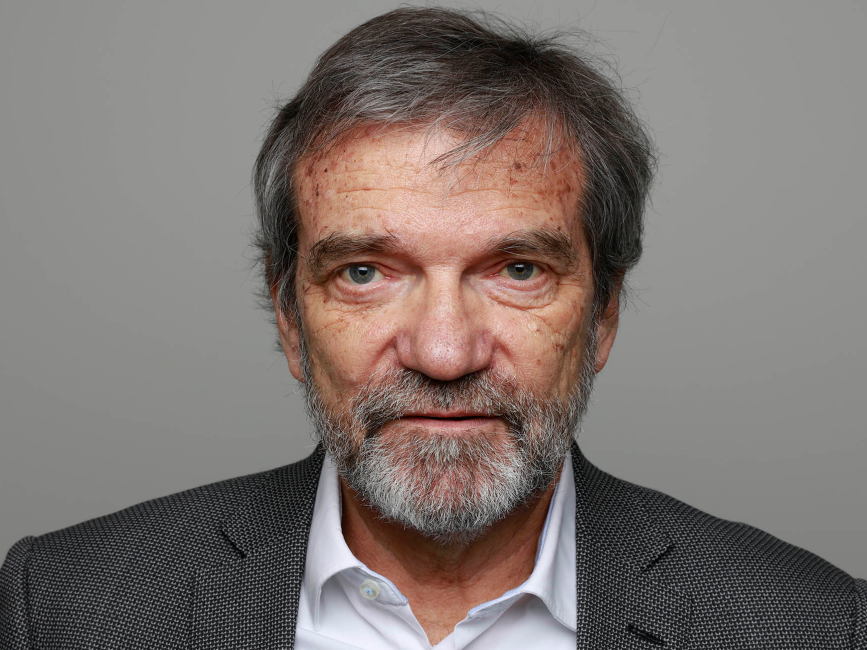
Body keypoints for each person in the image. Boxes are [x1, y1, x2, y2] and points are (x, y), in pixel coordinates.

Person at [1, 7, 864, 650]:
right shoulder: (65, 610)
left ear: (602, 314)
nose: (444, 353)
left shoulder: (813, 627)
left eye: (516, 270)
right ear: (290, 318)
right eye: (364, 272)